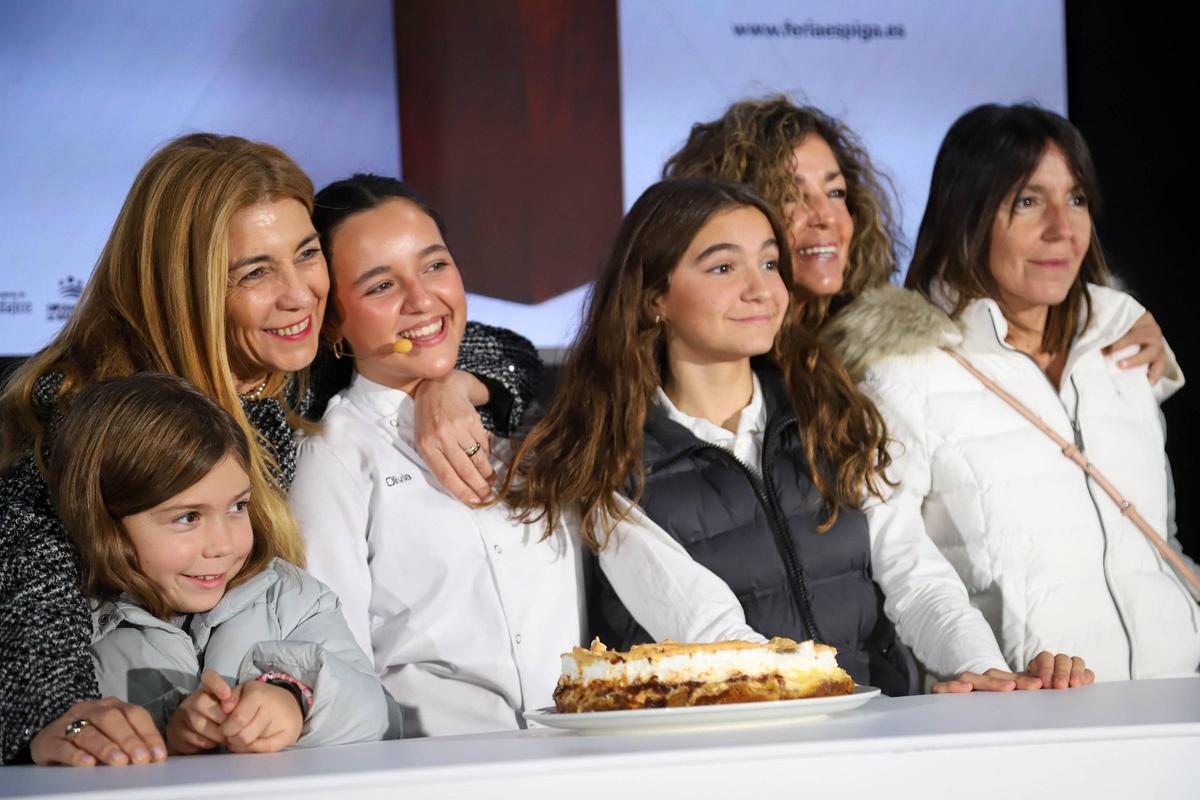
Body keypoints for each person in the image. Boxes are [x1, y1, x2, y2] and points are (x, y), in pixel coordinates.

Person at [0, 133, 536, 765]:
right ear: (185, 286)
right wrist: (59, 714)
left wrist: (447, 382)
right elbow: (30, 582)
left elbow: (504, 347)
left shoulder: (293, 366)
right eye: (255, 272)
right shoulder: (91, 412)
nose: (300, 294)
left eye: (307, 254)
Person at [500, 176, 1093, 694]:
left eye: (768, 263)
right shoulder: (606, 462)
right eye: (724, 267)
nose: (762, 289)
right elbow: (711, 630)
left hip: (874, 742)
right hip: (731, 761)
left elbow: (914, 572)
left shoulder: (835, 417)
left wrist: (982, 668)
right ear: (654, 297)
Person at [289, 174, 761, 737]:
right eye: (380, 287)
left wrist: (755, 669)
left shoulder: (523, 428)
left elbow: (646, 561)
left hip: (569, 762)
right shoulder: (334, 455)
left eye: (435, 265)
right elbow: (337, 662)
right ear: (334, 323)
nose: (423, 300)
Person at [826, 103, 1200, 680]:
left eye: (1076, 198)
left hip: (1173, 713)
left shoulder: (1123, 353)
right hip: (1023, 717)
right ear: (966, 217)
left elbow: (1162, 544)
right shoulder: (904, 373)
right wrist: (984, 670)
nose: (1062, 228)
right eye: (1028, 202)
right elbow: (904, 566)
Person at [663, 95, 1172, 378]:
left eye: (837, 193)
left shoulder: (885, 349)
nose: (826, 218)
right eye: (791, 195)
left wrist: (1115, 320)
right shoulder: (691, 365)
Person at [46, 373, 398, 761]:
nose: (224, 545)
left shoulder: (290, 598)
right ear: (104, 520)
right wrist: (169, 731)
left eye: (237, 507)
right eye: (188, 517)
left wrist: (295, 700)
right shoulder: (64, 629)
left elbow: (381, 716)